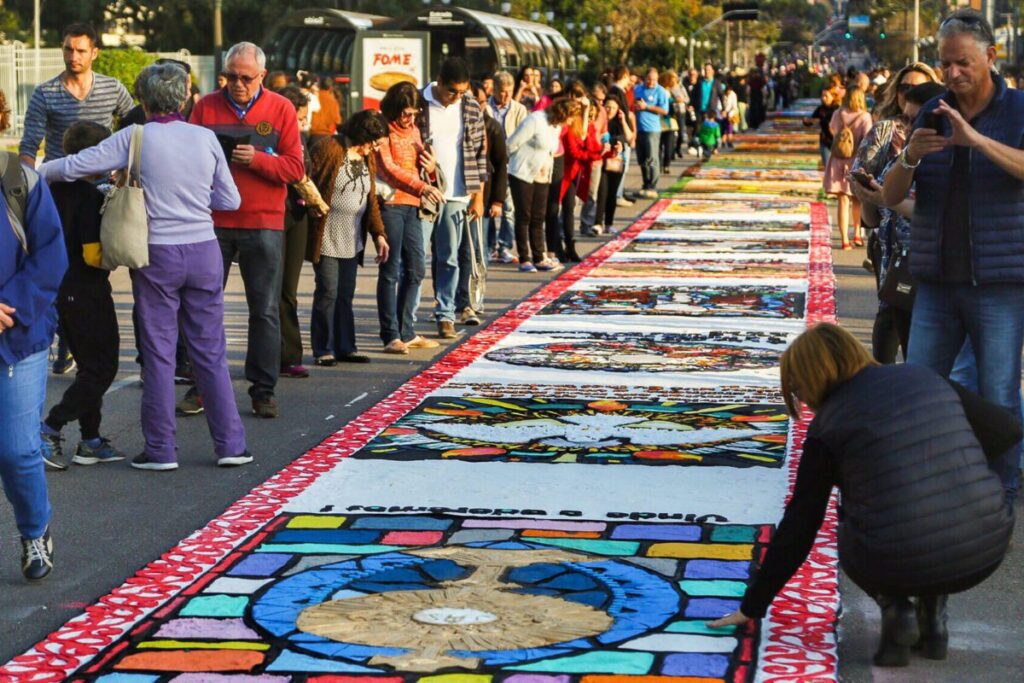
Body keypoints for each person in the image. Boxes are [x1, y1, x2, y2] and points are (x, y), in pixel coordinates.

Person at [708, 323, 1016, 668]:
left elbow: (801, 526)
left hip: (895, 559)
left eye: (797, 389)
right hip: (985, 547)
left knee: (856, 516)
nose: (802, 400)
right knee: (925, 505)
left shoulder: (828, 426)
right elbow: (1008, 431)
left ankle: (896, 608)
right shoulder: (922, 376)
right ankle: (933, 620)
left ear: (813, 377)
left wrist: (753, 605)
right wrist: (969, 473)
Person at [39, 62, 250, 472]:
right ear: (186, 96)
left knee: (158, 353)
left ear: (142, 99)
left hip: (156, 254)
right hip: (205, 250)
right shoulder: (205, 137)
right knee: (209, 352)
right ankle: (231, 444)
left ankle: (161, 449)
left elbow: (76, 165)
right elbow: (230, 200)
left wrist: (31, 172)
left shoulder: (135, 137)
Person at [881, 8, 1024, 505]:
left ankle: (1000, 493)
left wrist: (977, 140)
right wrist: (909, 157)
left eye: (962, 62)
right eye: (945, 64)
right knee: (920, 389)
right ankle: (922, 487)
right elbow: (892, 192)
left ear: (990, 56)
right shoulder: (932, 109)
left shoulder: (1019, 110)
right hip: (937, 280)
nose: (953, 74)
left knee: (998, 394)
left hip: (999, 281)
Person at [189, 41, 305, 419]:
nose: (237, 85)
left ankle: (263, 389)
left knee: (265, 310)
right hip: (214, 222)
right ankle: (202, 385)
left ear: (261, 77)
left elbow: (295, 169)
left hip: (264, 222)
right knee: (204, 307)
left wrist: (257, 161)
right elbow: (187, 159)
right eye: (230, 77)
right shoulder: (205, 106)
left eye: (245, 78)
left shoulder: (281, 108)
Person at [19, 22, 133, 377]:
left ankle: (87, 344)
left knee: (91, 270)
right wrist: (26, 194)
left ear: (95, 52)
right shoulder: (46, 93)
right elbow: (28, 147)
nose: (74, 56)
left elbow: (136, 130)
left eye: (81, 50)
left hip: (102, 191)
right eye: (68, 49)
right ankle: (66, 344)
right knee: (60, 267)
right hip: (60, 193)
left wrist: (124, 172)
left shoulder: (112, 89)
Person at [0, 86, 68, 580]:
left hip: (15, 338)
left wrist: (14, 306)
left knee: (17, 449)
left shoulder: (19, 180)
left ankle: (34, 531)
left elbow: (51, 256)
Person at [38, 122, 123, 471]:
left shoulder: (50, 188)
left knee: (89, 366)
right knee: (103, 366)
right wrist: (119, 255)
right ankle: (50, 427)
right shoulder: (89, 197)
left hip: (60, 288)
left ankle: (90, 439)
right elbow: (92, 254)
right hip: (86, 288)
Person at [856, 82, 946, 364]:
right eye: (904, 117)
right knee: (886, 358)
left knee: (922, 364)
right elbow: (872, 221)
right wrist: (867, 196)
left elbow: (938, 213)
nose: (904, 125)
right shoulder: (902, 157)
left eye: (913, 119)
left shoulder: (946, 159)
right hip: (894, 275)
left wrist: (885, 199)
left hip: (928, 276)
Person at [307, 111, 390, 365]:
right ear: (363, 135)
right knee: (328, 292)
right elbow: (309, 182)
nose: (373, 149)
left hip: (352, 237)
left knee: (345, 294)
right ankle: (323, 349)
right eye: (373, 143)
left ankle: (346, 346)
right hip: (327, 234)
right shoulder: (329, 147)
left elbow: (370, 198)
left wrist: (379, 234)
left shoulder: (367, 159)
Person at [417, 57, 488, 340]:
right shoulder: (420, 102)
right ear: (439, 82)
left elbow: (481, 153)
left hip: (458, 192)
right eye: (452, 92)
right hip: (423, 190)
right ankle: (405, 317)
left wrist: (478, 197)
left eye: (462, 91)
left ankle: (445, 314)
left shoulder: (469, 106)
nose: (457, 97)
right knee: (415, 258)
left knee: (450, 257)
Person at [374, 81, 443, 353]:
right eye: (406, 113)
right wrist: (423, 186)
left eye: (414, 114)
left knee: (416, 268)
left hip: (414, 205)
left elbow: (423, 171)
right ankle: (391, 334)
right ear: (394, 109)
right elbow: (388, 169)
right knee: (390, 270)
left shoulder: (414, 131)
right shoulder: (383, 131)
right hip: (391, 204)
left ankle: (407, 330)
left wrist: (432, 169)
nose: (410, 119)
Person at [276, 85, 327, 379]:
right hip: (273, 214)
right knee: (269, 291)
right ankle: (267, 355)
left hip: (297, 214)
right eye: (299, 117)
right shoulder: (269, 135)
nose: (303, 123)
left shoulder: (301, 138)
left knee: (289, 291)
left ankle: (290, 355)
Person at [455, 81, 508, 324]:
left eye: (478, 101)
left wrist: (497, 200)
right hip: (455, 197)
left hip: (481, 200)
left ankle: (474, 297)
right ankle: (457, 298)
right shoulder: (454, 124)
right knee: (452, 252)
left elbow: (498, 166)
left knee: (476, 249)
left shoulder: (492, 127)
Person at [507, 99, 580, 272]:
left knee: (538, 216)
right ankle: (525, 258)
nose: (570, 122)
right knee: (524, 215)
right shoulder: (535, 120)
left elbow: (550, 150)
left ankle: (539, 256)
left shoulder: (556, 126)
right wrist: (511, 164)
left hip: (542, 175)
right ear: (563, 113)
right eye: (570, 118)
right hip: (522, 173)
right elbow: (512, 143)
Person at [824, 86, 872, 249]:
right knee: (857, 199)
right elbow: (868, 137)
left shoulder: (838, 113)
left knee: (842, 200)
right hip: (856, 161)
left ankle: (844, 239)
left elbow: (832, 129)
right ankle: (857, 233)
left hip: (838, 160)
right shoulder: (865, 116)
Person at [488, 71, 528, 263]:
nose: (505, 96)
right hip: (490, 164)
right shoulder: (485, 108)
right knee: (489, 205)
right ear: (494, 89)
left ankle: (504, 245)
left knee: (509, 207)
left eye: (509, 92)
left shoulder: (519, 109)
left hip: (511, 163)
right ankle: (488, 245)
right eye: (501, 92)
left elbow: (523, 136)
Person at [632, 67, 671, 198]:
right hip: (639, 128)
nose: (651, 82)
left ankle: (653, 186)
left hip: (652, 129)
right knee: (642, 159)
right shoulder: (638, 89)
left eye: (654, 80)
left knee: (652, 158)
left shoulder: (660, 91)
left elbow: (664, 110)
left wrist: (646, 107)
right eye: (649, 79)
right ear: (644, 78)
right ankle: (646, 184)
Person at [598, 96, 635, 233]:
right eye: (608, 106)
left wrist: (623, 120)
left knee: (612, 193)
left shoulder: (619, 122)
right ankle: (597, 223)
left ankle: (608, 223)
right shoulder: (599, 120)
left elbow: (630, 138)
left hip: (616, 162)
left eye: (613, 107)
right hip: (601, 160)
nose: (610, 110)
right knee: (602, 192)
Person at [803, 89, 838, 167]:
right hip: (824, 141)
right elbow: (812, 120)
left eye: (826, 96)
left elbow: (831, 122)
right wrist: (806, 121)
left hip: (837, 141)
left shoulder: (837, 109)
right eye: (822, 96)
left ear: (833, 96)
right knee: (827, 166)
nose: (823, 98)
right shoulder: (820, 109)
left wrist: (820, 120)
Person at [310, 76, 342, 145]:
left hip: (313, 136)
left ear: (319, 86)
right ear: (330, 88)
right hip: (327, 137)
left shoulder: (313, 97)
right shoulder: (333, 102)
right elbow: (337, 120)